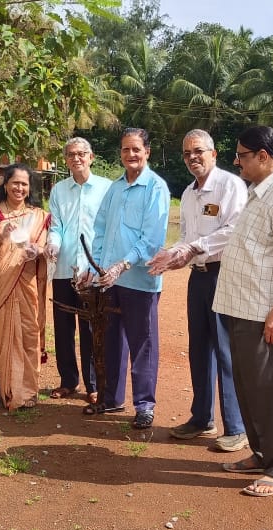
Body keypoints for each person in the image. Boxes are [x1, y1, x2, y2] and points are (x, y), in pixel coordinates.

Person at [212, 125, 273, 497]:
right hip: (243, 307)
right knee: (250, 388)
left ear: (263, 157)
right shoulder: (258, 192)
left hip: (266, 311)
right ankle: (263, 452)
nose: (238, 162)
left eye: (242, 156)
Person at [148, 129, 249, 452]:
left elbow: (234, 230)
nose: (193, 158)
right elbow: (187, 236)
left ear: (214, 153)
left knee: (226, 350)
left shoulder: (230, 185)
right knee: (199, 349)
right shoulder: (190, 194)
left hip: (225, 274)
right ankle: (201, 418)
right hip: (199, 277)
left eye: (199, 152)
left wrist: (194, 247)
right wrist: (172, 254)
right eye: (187, 153)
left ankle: (236, 426)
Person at [78, 127, 169, 430]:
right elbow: (100, 230)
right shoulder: (115, 189)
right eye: (125, 150)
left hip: (139, 281)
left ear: (147, 152)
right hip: (109, 281)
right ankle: (111, 397)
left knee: (143, 343)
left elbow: (152, 238)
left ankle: (144, 405)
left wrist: (123, 264)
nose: (130, 155)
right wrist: (99, 267)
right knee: (110, 339)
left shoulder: (156, 188)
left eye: (136, 149)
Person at [45, 137, 111, 406]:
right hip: (64, 268)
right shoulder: (59, 190)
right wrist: (53, 243)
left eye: (82, 154)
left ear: (91, 157)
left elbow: (108, 229)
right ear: (66, 160)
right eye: (71, 155)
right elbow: (56, 225)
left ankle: (93, 384)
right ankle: (68, 381)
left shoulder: (107, 189)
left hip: (92, 272)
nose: (77, 159)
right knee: (62, 328)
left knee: (89, 327)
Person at [0, 164, 50, 411]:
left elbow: (45, 248)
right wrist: (1, 237)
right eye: (15, 183)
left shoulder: (39, 216)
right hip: (0, 282)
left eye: (24, 184)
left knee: (29, 333)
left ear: (30, 188)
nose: (19, 188)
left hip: (27, 283)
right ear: (6, 185)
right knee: (1, 334)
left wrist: (37, 250)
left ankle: (26, 391)